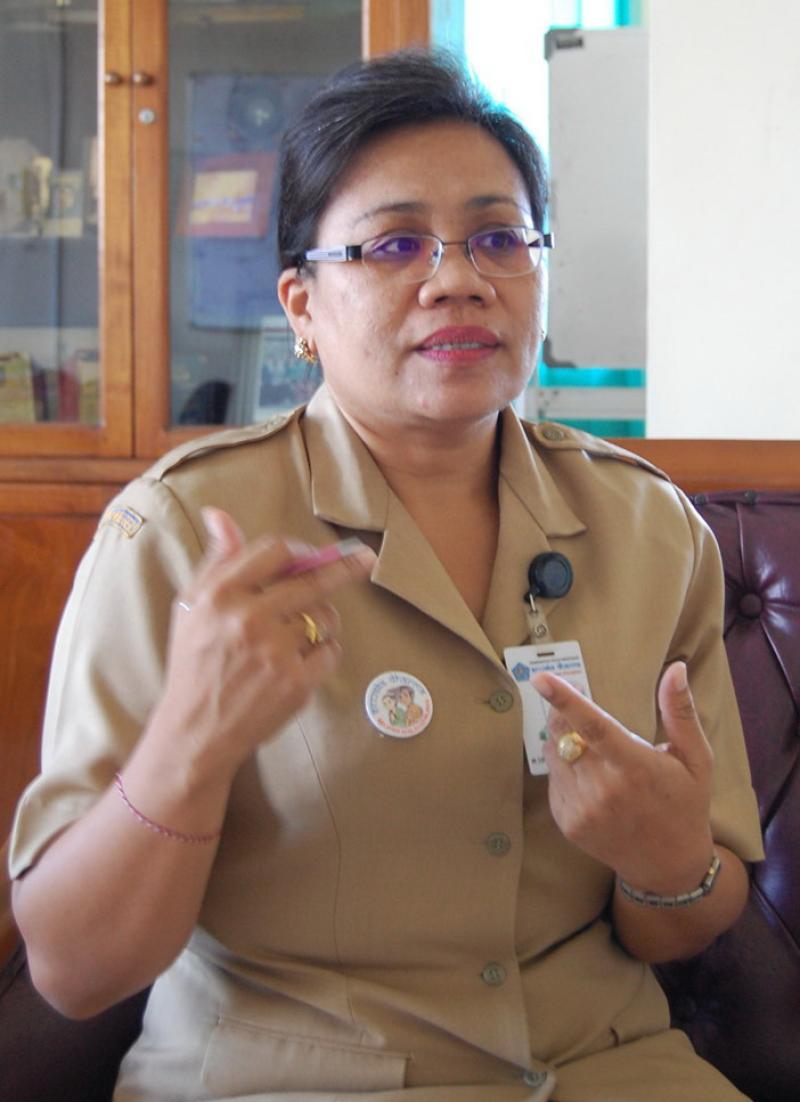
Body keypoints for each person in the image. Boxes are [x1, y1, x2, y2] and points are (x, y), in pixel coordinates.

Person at [9, 49, 763, 1102]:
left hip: (600, 1068)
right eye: (394, 243)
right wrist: (189, 746)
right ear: (301, 307)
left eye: (499, 238)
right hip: (283, 1079)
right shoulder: (181, 533)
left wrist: (665, 859)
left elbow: (688, 913)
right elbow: (76, 972)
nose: (457, 278)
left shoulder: (649, 530)